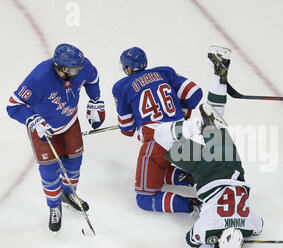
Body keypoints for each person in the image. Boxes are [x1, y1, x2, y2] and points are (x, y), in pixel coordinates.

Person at [152, 46, 263, 248]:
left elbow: (260, 226)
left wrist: (241, 233)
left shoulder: (250, 225)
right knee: (159, 135)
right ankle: (194, 126)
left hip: (233, 166)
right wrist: (213, 242)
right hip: (206, 169)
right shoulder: (208, 229)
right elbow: (191, 241)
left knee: (214, 118)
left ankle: (220, 71)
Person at [6, 43, 105, 232]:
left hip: (69, 122)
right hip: (44, 128)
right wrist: (32, 120)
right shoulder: (39, 77)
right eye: (74, 70)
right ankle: (54, 206)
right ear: (60, 68)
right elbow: (13, 106)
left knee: (74, 164)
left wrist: (95, 100)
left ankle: (68, 194)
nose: (79, 72)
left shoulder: (83, 66)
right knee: (50, 172)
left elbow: (93, 77)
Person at [112, 47, 203, 213]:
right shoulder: (164, 72)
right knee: (160, 166)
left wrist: (136, 120)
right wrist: (180, 110)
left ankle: (195, 206)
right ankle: (186, 177)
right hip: (181, 134)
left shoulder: (121, 87)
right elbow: (195, 94)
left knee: (144, 198)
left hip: (157, 142)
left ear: (128, 68)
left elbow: (126, 129)